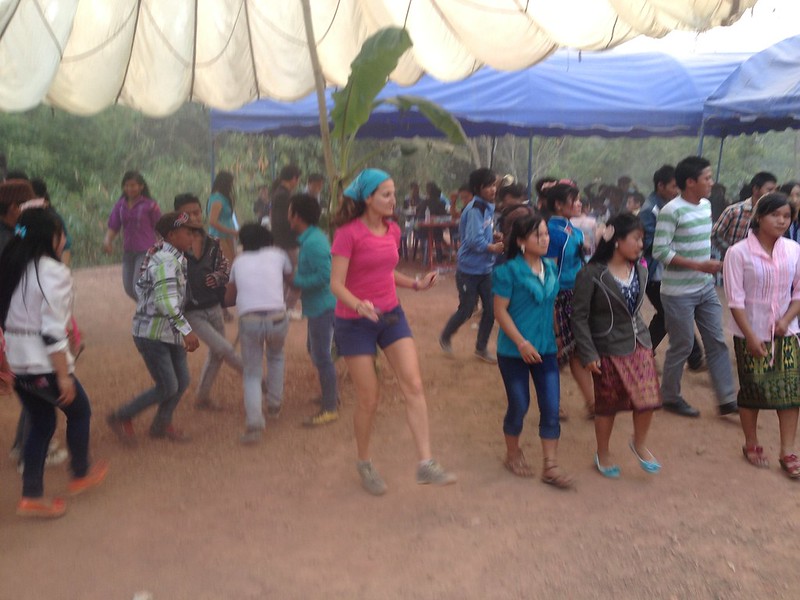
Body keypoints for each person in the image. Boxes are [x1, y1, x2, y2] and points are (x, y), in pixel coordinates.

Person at [330, 168, 456, 496]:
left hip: (391, 315)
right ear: (367, 198)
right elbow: (336, 284)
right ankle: (364, 462)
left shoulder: (393, 229)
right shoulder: (348, 233)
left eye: (393, 193)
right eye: (386, 194)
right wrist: (358, 305)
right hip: (355, 321)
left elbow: (386, 271)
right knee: (369, 398)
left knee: (413, 384)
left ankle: (425, 463)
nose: (393, 199)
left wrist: (415, 284)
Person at [0, 208, 108, 518]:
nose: (63, 240)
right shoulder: (53, 271)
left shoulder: (12, 264)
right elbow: (51, 331)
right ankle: (80, 472)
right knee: (80, 410)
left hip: (17, 361)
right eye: (62, 234)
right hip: (42, 362)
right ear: (52, 237)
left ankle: (32, 495)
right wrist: (63, 376)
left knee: (42, 422)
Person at [572, 213, 662, 479]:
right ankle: (603, 452)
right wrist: (588, 353)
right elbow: (579, 317)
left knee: (648, 399)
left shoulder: (641, 270)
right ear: (617, 240)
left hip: (640, 343)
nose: (641, 244)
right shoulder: (591, 274)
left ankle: (639, 443)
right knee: (607, 404)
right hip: (607, 346)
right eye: (636, 238)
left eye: (642, 239)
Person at [652, 155, 738, 417]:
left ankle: (726, 399)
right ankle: (670, 396)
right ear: (690, 182)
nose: (712, 182)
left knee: (716, 341)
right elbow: (659, 251)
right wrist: (699, 265)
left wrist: (705, 268)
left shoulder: (706, 206)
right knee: (682, 345)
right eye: (707, 178)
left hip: (705, 288)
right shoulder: (671, 211)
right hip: (678, 293)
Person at [492, 214, 573, 488]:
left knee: (551, 405)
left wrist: (557, 336)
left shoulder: (550, 268)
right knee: (519, 404)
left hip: (545, 348)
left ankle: (551, 465)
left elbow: (550, 305)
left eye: (546, 233)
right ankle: (512, 454)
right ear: (520, 241)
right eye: (537, 234)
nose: (544, 239)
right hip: (513, 351)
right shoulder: (507, 272)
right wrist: (521, 343)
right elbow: (500, 311)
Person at [723, 193, 800, 478]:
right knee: (752, 388)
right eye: (775, 215)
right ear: (759, 217)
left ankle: (787, 451)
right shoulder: (738, 253)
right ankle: (751, 442)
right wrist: (750, 336)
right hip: (750, 331)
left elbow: (799, 291)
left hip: (787, 332)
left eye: (787, 216)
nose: (781, 221)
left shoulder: (794, 250)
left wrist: (786, 319)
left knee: (791, 391)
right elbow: (735, 300)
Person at [107, 212, 201, 445]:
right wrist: (186, 329)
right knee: (169, 385)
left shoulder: (169, 257)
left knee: (180, 381)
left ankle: (161, 424)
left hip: (165, 331)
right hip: (153, 334)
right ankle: (122, 416)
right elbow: (165, 301)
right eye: (188, 232)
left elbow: (147, 291)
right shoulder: (166, 260)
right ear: (172, 235)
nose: (192, 236)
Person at [225, 223, 292, 444]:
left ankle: (254, 423)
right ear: (268, 240)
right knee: (276, 357)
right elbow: (292, 281)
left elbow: (230, 298)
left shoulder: (238, 262)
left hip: (250, 321)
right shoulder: (279, 255)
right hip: (277, 318)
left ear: (243, 243)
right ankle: (274, 405)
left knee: (252, 373)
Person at [175, 193, 242, 411]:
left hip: (213, 308)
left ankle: (202, 397)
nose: (194, 217)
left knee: (218, 353)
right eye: (188, 214)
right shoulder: (171, 248)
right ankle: (259, 380)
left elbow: (221, 273)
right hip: (192, 312)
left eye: (197, 212)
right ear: (178, 216)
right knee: (225, 349)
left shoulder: (212, 242)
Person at [640, 165, 704, 371]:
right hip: (655, 273)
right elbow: (646, 243)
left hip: (668, 272)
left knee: (668, 314)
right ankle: (695, 357)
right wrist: (675, 240)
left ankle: (643, 352)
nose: (677, 190)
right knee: (672, 314)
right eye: (674, 186)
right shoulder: (650, 210)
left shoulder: (671, 206)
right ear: (660, 186)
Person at [439, 168, 504, 364]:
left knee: (491, 310)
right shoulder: (476, 208)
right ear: (478, 188)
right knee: (467, 309)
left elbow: (482, 233)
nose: (493, 189)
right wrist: (492, 247)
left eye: (493, 185)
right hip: (469, 270)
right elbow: (474, 240)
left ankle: (481, 348)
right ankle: (446, 335)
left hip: (485, 269)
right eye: (488, 186)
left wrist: (493, 236)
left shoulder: (487, 206)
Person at [543, 180, 595, 419]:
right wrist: (550, 304)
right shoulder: (552, 233)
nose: (579, 204)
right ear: (558, 204)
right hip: (558, 297)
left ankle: (591, 403)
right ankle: (552, 403)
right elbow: (549, 270)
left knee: (575, 350)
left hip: (576, 295)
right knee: (556, 351)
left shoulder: (573, 230)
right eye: (574, 200)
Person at [288, 193, 339, 427]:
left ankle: (330, 407)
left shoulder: (313, 242)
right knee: (316, 350)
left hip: (323, 306)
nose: (288, 217)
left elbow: (326, 276)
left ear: (297, 216)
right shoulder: (312, 239)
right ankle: (331, 395)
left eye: (289, 213)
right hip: (318, 306)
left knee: (321, 356)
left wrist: (296, 281)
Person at [103, 170, 161, 301]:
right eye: (127, 185)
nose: (130, 188)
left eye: (133, 185)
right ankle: (150, 305)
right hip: (128, 251)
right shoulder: (120, 206)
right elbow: (114, 225)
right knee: (129, 289)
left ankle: (147, 310)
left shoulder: (150, 205)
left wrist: (165, 248)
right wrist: (107, 241)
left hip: (146, 251)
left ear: (141, 186)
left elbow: (160, 227)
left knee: (137, 287)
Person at [711, 171, 777, 255]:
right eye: (769, 190)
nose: (773, 194)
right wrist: (730, 251)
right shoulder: (734, 211)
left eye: (775, 190)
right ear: (756, 189)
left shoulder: (773, 214)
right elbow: (715, 235)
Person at [270, 165, 302, 311]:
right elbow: (284, 221)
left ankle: (281, 306)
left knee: (284, 276)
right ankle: (287, 307)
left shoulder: (278, 193)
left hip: (281, 240)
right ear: (294, 178)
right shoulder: (284, 196)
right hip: (287, 242)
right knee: (295, 276)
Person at [206, 171, 238, 262]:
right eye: (230, 183)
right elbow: (213, 221)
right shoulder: (217, 199)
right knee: (228, 262)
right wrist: (231, 231)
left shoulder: (224, 198)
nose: (231, 186)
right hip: (219, 236)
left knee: (233, 261)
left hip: (227, 236)